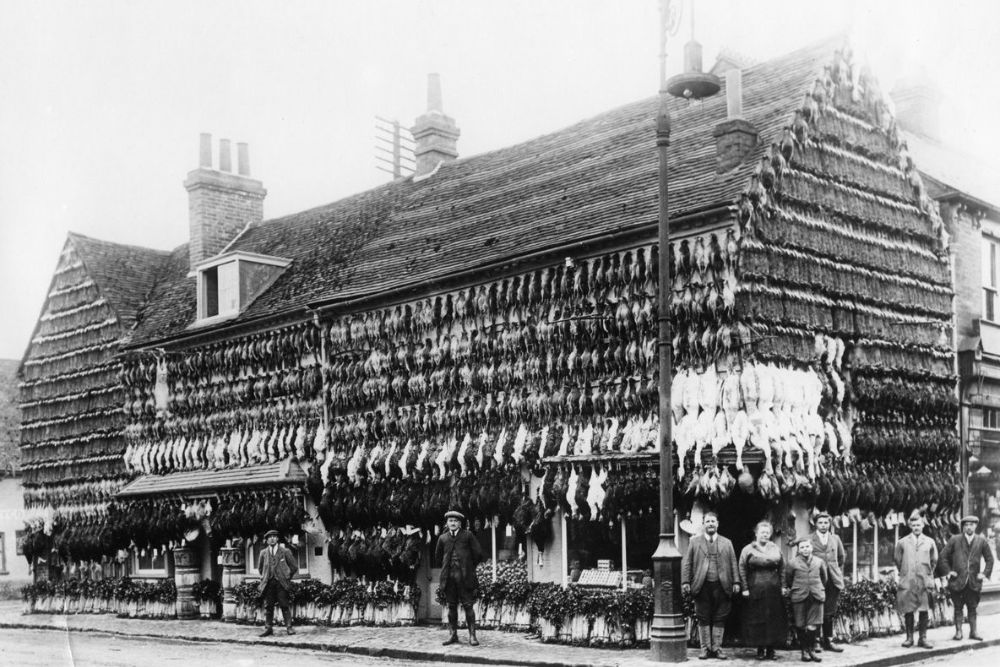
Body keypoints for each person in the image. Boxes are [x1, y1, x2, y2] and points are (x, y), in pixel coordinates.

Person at [682, 511, 740, 660]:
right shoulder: (695, 542)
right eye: (707, 521)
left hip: (722, 585)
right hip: (702, 585)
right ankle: (705, 649)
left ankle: (717, 648)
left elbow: (734, 563)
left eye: (713, 521)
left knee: (720, 617)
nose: (710, 524)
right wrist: (686, 581)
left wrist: (736, 582)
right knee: (703, 617)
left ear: (717, 524)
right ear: (704, 524)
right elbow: (687, 563)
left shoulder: (727, 542)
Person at [940, 515, 995, 641]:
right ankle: (958, 632)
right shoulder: (955, 539)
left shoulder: (981, 541)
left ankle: (973, 632)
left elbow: (990, 559)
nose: (969, 527)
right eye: (966, 525)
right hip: (957, 581)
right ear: (963, 527)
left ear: (975, 526)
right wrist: (949, 571)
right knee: (958, 608)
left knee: (972, 608)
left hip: (973, 581)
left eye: (971, 525)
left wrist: (984, 573)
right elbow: (943, 556)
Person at [739, 520, 787, 661]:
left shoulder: (775, 548)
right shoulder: (748, 549)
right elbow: (742, 568)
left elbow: (782, 568)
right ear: (756, 533)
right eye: (762, 532)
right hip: (755, 588)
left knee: (773, 618)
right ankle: (760, 649)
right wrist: (745, 588)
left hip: (773, 588)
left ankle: (771, 650)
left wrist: (783, 586)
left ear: (770, 534)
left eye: (767, 532)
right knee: (758, 618)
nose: (765, 535)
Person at [436, 509, 484, 647]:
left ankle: (472, 636)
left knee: (468, 606)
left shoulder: (467, 536)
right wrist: (446, 569)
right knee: (451, 607)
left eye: (455, 521)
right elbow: (438, 557)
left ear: (460, 523)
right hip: (449, 579)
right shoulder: (442, 538)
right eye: (450, 521)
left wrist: (468, 567)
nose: (453, 523)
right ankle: (453, 635)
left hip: (465, 578)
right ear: (447, 522)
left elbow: (478, 554)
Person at [894, 510, 938, 650]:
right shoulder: (902, 542)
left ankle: (923, 638)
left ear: (923, 525)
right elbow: (898, 560)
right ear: (910, 526)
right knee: (909, 609)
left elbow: (934, 560)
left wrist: (927, 573)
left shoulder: (930, 542)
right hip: (908, 579)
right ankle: (909, 638)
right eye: (914, 525)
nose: (916, 527)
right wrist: (907, 572)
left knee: (924, 608)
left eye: (918, 525)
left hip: (924, 580)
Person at [784, 537, 827, 663]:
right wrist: (797, 588)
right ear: (798, 549)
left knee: (813, 625)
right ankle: (804, 650)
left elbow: (824, 578)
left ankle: (812, 650)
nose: (805, 549)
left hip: (816, 595)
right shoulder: (792, 563)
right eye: (802, 547)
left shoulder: (819, 562)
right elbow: (789, 579)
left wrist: (816, 587)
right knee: (800, 624)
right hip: (799, 595)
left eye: (807, 547)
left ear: (812, 547)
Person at [809, 512, 845, 654]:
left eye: (826, 523)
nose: (823, 525)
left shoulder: (835, 539)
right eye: (820, 523)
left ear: (829, 524)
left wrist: (835, 571)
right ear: (815, 524)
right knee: (817, 609)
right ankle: (816, 641)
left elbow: (841, 558)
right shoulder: (810, 539)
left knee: (829, 611)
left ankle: (828, 640)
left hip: (833, 580)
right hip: (817, 579)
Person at [256, 529, 298, 637]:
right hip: (268, 583)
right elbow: (260, 568)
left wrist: (287, 577)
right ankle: (268, 628)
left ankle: (289, 627)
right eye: (270, 537)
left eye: (274, 536)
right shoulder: (263, 553)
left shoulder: (285, 551)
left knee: (284, 605)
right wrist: (266, 576)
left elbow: (294, 567)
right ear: (266, 540)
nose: (272, 538)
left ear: (278, 538)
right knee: (268, 606)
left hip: (281, 583)